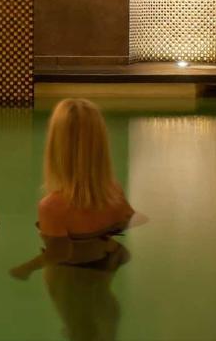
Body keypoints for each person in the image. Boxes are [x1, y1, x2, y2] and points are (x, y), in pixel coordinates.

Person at [10, 98, 137, 280]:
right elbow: (129, 219)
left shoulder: (52, 207)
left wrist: (26, 269)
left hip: (73, 278)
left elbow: (58, 254)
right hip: (106, 265)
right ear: (100, 144)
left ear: (56, 145)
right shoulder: (113, 191)